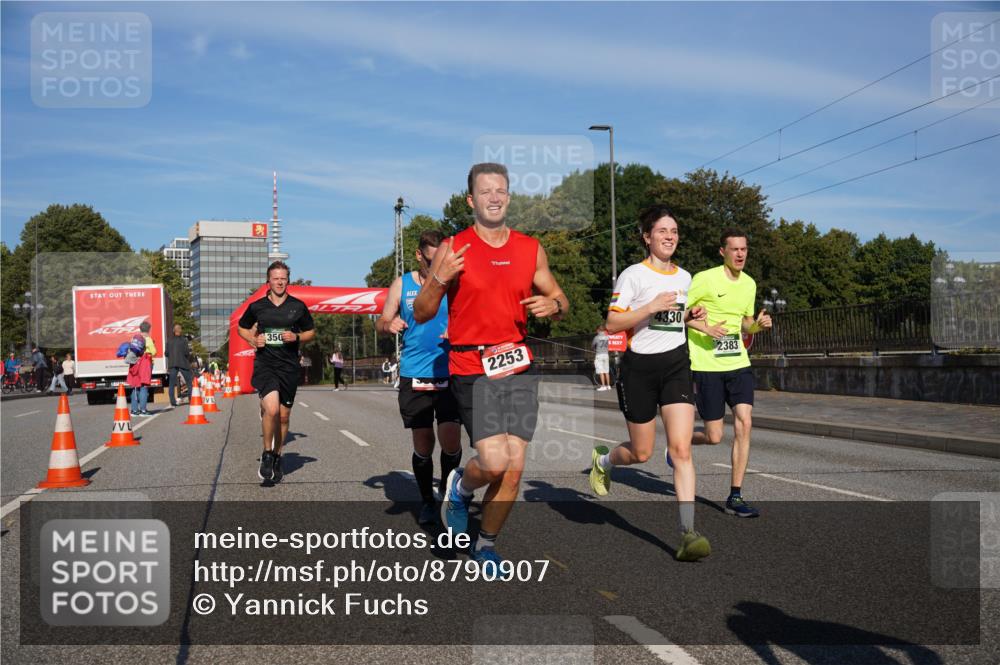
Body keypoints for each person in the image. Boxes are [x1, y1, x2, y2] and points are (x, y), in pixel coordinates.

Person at [414, 162, 568, 569]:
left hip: (516, 362)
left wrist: (553, 305)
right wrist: (439, 279)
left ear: (509, 196)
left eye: (500, 190)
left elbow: (561, 300)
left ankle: (486, 545)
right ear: (472, 200)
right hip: (471, 364)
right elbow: (423, 311)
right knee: (495, 461)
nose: (494, 197)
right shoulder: (453, 247)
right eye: (485, 191)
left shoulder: (530, 248)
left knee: (514, 468)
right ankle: (461, 489)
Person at [588, 205, 711, 561]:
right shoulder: (632, 276)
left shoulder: (686, 278)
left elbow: (674, 321)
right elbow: (612, 323)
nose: (669, 236)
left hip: (676, 366)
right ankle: (605, 461)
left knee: (681, 450)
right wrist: (652, 306)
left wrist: (690, 316)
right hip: (639, 369)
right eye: (662, 231)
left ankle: (688, 532)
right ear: (647, 237)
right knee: (642, 452)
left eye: (673, 230)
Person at [377, 229, 463, 526]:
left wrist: (459, 330)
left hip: (450, 370)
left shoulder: (454, 282)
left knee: (451, 439)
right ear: (419, 255)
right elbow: (382, 319)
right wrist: (389, 324)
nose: (438, 263)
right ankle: (427, 500)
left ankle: (450, 491)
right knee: (424, 442)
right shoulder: (403, 284)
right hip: (415, 372)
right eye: (432, 258)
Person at [686, 228, 772, 518]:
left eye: (744, 249)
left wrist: (758, 325)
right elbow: (679, 316)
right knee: (713, 436)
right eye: (734, 249)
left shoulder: (749, 284)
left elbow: (744, 325)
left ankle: (735, 496)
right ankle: (681, 442)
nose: (740, 254)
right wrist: (706, 328)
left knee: (744, 422)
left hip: (738, 363)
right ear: (722, 252)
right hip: (707, 366)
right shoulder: (704, 279)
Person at [237, 260, 316, 484]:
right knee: (271, 409)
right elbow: (241, 327)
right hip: (266, 365)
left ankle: (279, 455)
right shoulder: (257, 307)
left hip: (289, 367)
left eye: (283, 278)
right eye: (275, 278)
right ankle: (267, 454)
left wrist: (297, 337)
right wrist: (253, 339)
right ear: (268, 282)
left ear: (287, 281)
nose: (279, 282)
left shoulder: (298, 307)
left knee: (283, 416)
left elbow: (311, 332)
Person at [127, 321, 155, 415]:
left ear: (140, 329)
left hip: (135, 364)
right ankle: (143, 410)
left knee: (135, 386)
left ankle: (134, 410)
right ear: (148, 329)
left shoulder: (135, 338)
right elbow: (154, 352)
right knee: (143, 386)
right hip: (145, 364)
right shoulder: (148, 339)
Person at [166, 324, 193, 407]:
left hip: (173, 364)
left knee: (171, 383)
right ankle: (191, 399)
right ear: (180, 331)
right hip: (183, 363)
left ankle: (173, 402)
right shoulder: (184, 340)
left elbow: (166, 353)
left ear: (174, 331)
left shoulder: (169, 341)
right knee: (189, 382)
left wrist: (172, 357)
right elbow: (186, 353)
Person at [592, 324, 612, 391]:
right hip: (606, 354)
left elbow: (592, 346)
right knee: (606, 371)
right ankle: (608, 386)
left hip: (599, 355)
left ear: (598, 330)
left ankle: (603, 386)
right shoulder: (607, 337)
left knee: (601, 371)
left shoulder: (596, 337)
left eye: (596, 330)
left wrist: (594, 349)